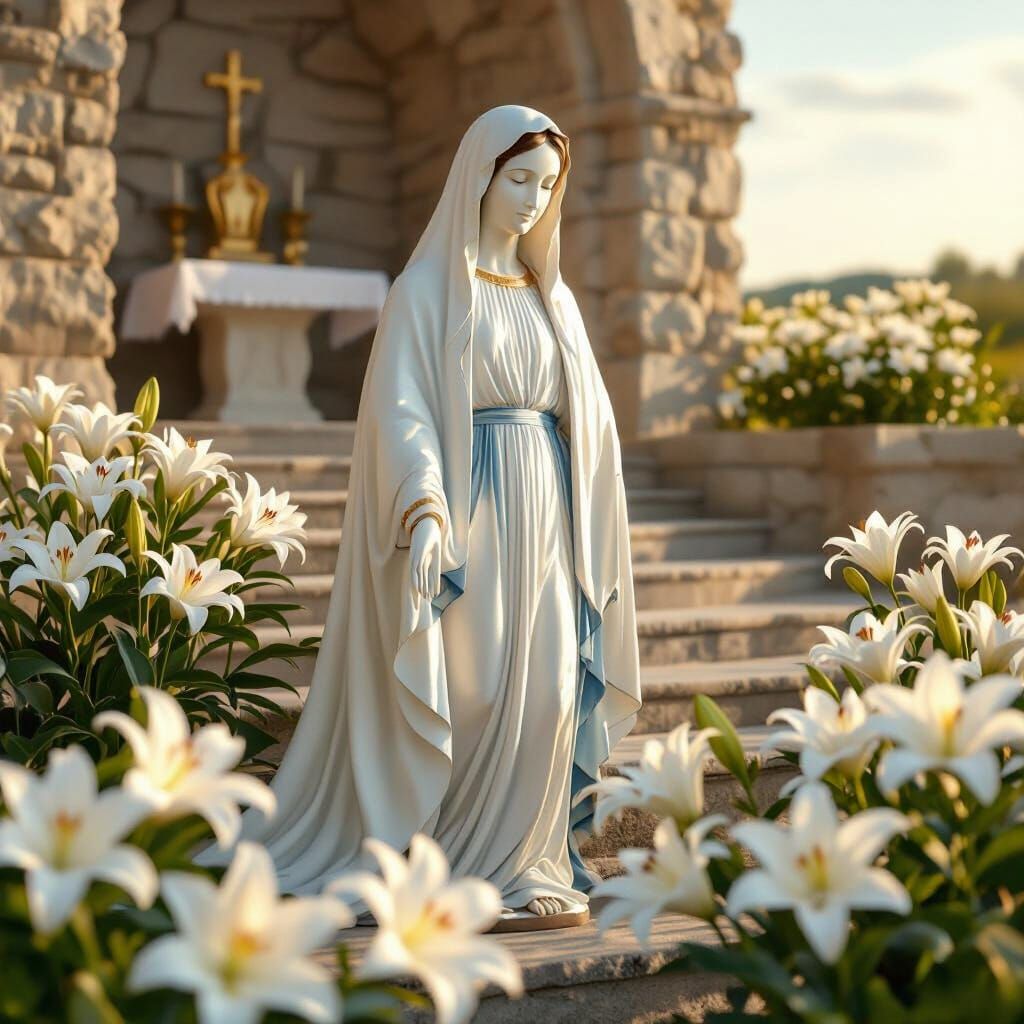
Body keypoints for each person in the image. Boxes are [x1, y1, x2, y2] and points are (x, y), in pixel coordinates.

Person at [214, 104, 641, 928]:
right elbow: (403, 411)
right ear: (478, 176)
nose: (532, 199)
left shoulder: (556, 299)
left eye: (548, 185)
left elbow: (587, 417)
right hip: (469, 502)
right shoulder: (425, 291)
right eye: (518, 179)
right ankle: (450, 859)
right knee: (474, 689)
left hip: (548, 512)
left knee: (551, 691)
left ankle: (525, 863)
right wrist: (424, 510)